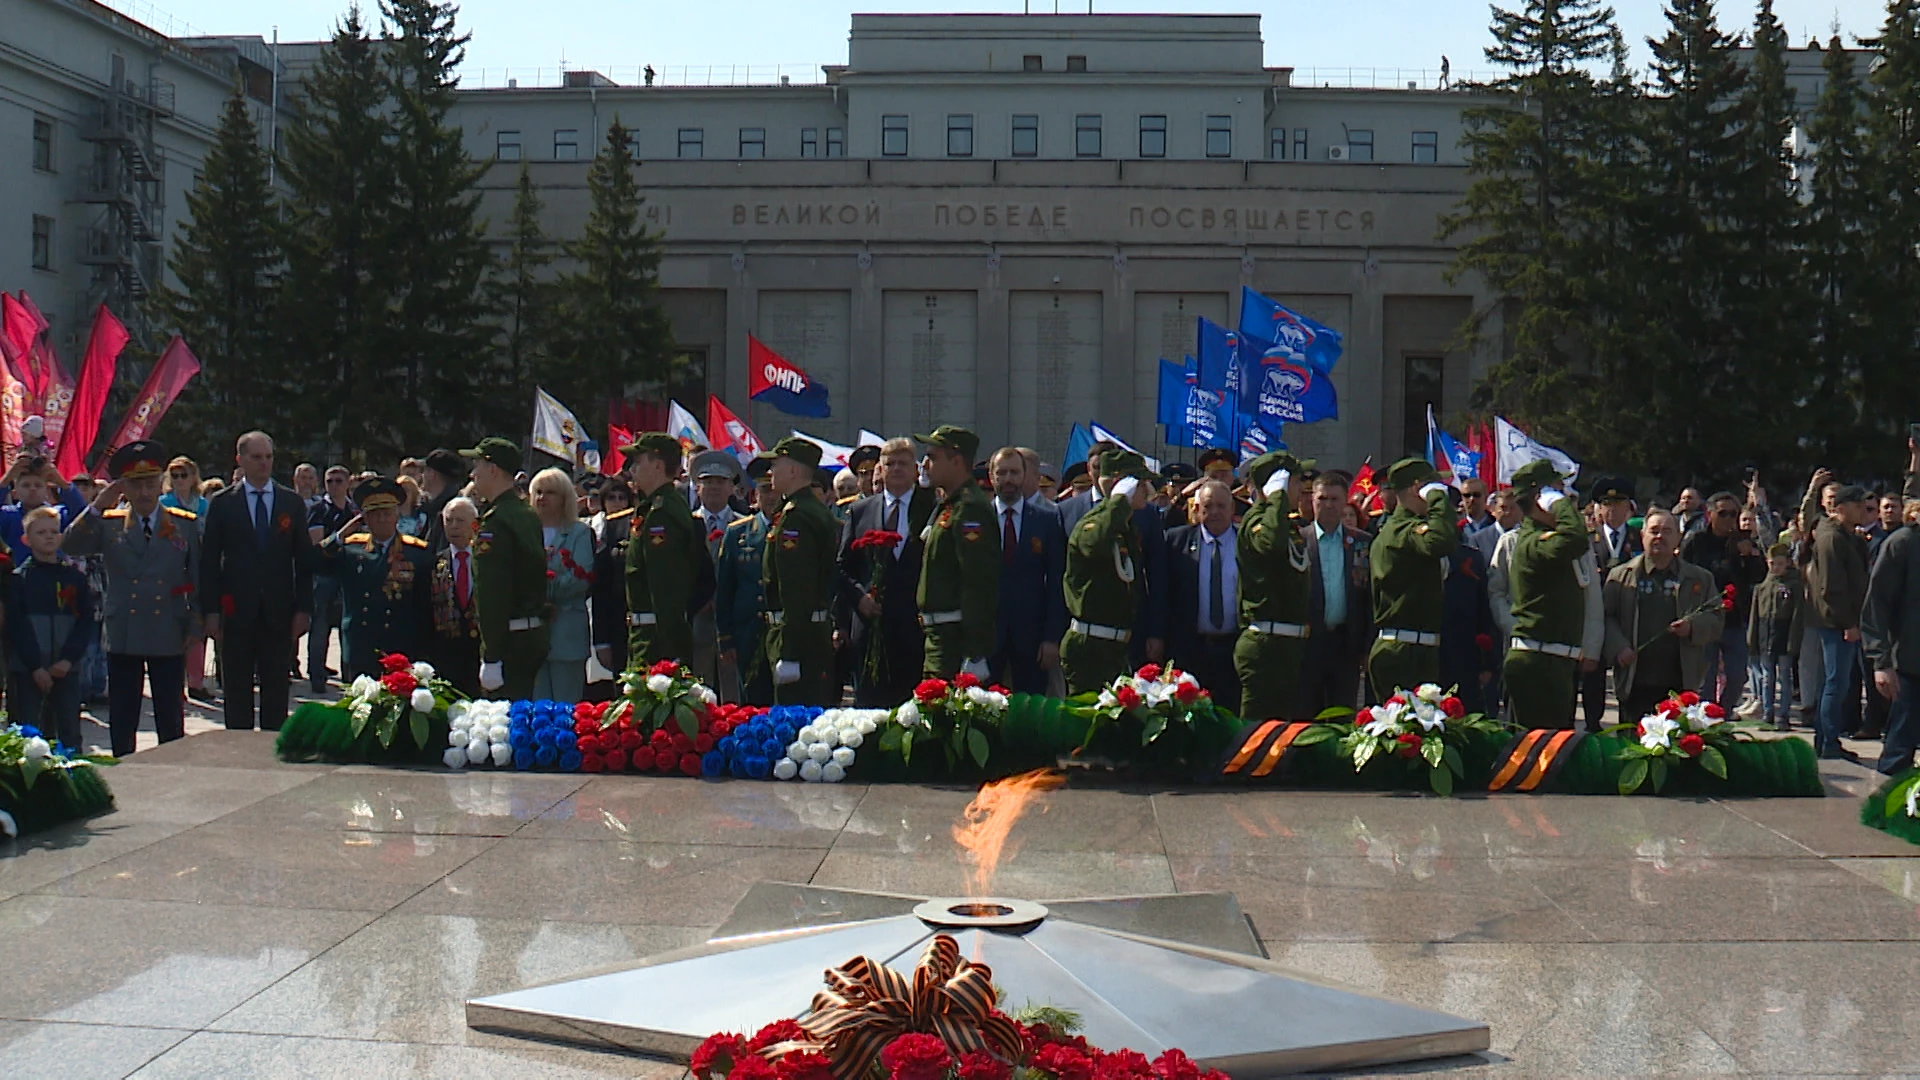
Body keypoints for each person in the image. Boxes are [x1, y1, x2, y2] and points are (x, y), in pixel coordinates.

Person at [62, 442, 200, 756]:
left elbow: (197, 578)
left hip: (168, 625)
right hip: (125, 626)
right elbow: (70, 545)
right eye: (136, 484)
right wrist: (96, 506)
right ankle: (125, 771)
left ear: (161, 482)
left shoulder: (183, 524)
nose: (144, 492)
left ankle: (174, 771)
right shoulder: (109, 523)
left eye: (151, 483)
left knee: (169, 714)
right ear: (124, 487)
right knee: (123, 715)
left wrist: (196, 624)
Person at [201, 431, 313, 731]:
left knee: (276, 686)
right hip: (235, 611)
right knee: (236, 689)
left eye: (268, 457)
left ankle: (274, 749)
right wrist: (210, 611)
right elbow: (209, 561)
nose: (264, 464)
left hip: (278, 611)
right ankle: (240, 753)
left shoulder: (291, 503)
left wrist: (304, 608)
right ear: (240, 460)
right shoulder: (224, 503)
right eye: (256, 457)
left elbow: (303, 561)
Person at [836, 438, 935, 704]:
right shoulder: (860, 511)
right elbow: (842, 567)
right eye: (890, 464)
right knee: (869, 710)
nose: (897, 469)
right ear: (880, 470)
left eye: (903, 463)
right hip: (871, 631)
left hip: (915, 630)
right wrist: (859, 598)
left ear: (916, 470)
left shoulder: (932, 509)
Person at [1603, 508, 1724, 724]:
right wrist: (1618, 647)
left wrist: (1692, 627)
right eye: (1654, 531)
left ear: (1678, 538)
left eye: (1667, 531)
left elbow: (1716, 619)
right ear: (1643, 536)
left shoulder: (1700, 578)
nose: (1660, 536)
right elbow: (1606, 617)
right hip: (1634, 680)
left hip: (1680, 682)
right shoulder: (1621, 576)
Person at [310, 477, 435, 679]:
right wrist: (339, 535)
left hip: (400, 646)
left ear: (397, 516)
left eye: (387, 513)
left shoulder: (417, 552)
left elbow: (424, 606)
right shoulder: (350, 549)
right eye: (375, 514)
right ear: (365, 520)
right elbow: (315, 562)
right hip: (361, 646)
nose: (382, 519)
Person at [1501, 461, 1591, 729]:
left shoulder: (1544, 537)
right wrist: (1556, 503)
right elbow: (1576, 538)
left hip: (1552, 661)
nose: (1565, 496)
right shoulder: (1534, 542)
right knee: (1537, 756)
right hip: (1538, 664)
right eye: (1557, 491)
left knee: (1553, 752)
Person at [461, 437, 550, 699]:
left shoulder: (497, 521)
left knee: (503, 726)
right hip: (528, 634)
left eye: (476, 465)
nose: (472, 473)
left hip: (509, 640)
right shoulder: (523, 513)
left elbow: (492, 594)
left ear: (493, 469)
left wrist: (491, 655)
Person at [1061, 448, 1151, 694]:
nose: (1148, 490)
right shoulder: (1094, 521)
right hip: (1090, 647)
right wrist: (1118, 501)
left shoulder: (1125, 526)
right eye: (1140, 484)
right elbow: (1095, 542)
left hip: (1116, 645)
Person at [1366, 458, 1459, 696]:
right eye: (1431, 487)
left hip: (1415, 647)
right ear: (1417, 488)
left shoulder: (1405, 527)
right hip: (1402, 650)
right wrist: (1438, 498)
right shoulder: (1402, 529)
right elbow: (1440, 541)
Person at [915, 426, 1001, 679]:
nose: (925, 464)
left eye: (933, 457)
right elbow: (915, 533)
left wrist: (975, 651)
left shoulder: (970, 509)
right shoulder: (949, 505)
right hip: (940, 635)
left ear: (956, 461)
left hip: (955, 638)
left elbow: (978, 581)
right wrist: (923, 490)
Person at [1232, 453, 1312, 721]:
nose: (1301, 488)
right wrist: (1276, 498)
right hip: (1265, 644)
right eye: (1296, 481)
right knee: (1254, 734)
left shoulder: (1283, 523)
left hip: (1287, 643)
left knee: (1280, 732)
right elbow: (1270, 544)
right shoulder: (1258, 520)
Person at [760, 436, 839, 704]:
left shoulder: (799, 516)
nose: (771, 472)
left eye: (776, 465)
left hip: (800, 640)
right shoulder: (801, 510)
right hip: (806, 635)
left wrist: (790, 652)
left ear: (793, 470)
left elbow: (797, 588)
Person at [1801, 472, 1872, 760]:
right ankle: (1828, 741)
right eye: (1858, 506)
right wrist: (1849, 623)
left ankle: (1826, 738)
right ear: (1841, 508)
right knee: (1836, 682)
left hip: (1841, 620)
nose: (1863, 512)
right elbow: (1832, 587)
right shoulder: (1831, 537)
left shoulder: (1846, 536)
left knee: (1835, 681)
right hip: (1836, 623)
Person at [8, 507, 91, 750]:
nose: (49, 537)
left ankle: (73, 779)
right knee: (28, 735)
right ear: (26, 539)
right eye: (41, 532)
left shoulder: (74, 578)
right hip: (28, 670)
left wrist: (68, 659)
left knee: (69, 732)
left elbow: (85, 620)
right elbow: (17, 626)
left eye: (54, 532)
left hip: (66, 668)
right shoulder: (19, 579)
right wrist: (35, 666)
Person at [987, 446, 1066, 695]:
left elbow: (1056, 581)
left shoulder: (1047, 520)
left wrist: (1052, 638)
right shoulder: (977, 518)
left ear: (1025, 476)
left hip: (1032, 637)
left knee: (1031, 712)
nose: (1008, 479)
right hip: (986, 636)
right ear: (992, 477)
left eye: (1014, 472)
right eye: (1002, 473)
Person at [1681, 491, 1768, 710]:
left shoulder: (1743, 541)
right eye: (1723, 514)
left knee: (1738, 676)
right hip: (1705, 617)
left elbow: (1760, 575)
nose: (1729, 519)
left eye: (1734, 514)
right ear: (1709, 514)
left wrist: (1748, 557)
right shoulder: (1697, 540)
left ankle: (1725, 713)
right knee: (1706, 681)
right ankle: (1707, 722)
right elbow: (1682, 573)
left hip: (1734, 619)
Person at [1863, 444, 1920, 773]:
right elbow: (1876, 606)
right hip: (1910, 667)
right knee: (1899, 751)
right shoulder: (1903, 543)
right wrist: (1882, 661)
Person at [624, 432, 704, 665]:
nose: (632, 469)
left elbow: (666, 585)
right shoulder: (656, 507)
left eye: (639, 462)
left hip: (656, 641)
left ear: (658, 466)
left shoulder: (662, 513)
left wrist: (671, 651)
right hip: (650, 635)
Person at [1166, 479, 1244, 713]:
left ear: (1232, 510)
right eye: (1208, 506)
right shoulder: (1176, 541)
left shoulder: (1247, 542)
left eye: (1221, 506)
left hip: (1234, 647)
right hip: (1191, 648)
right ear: (1196, 510)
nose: (1215, 512)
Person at [1301, 473, 1371, 717]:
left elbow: (1368, 598)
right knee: (1305, 716)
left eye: (1335, 499)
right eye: (1322, 498)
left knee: (1341, 717)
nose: (1328, 505)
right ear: (1312, 500)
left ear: (1345, 502)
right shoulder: (1299, 541)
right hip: (1307, 646)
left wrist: (1365, 646)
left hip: (1346, 645)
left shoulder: (1362, 543)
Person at [530, 468, 595, 702]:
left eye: (550, 492)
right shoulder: (528, 532)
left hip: (567, 636)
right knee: (537, 711)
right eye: (538, 492)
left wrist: (540, 590)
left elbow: (579, 579)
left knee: (567, 710)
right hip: (533, 637)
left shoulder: (580, 532)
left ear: (565, 498)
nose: (542, 498)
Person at [717, 458, 776, 704]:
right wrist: (725, 638)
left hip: (782, 633)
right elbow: (725, 589)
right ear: (755, 495)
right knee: (751, 702)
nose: (770, 497)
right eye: (764, 490)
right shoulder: (737, 533)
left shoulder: (795, 529)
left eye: (774, 490)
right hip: (747, 634)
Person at [689, 450, 743, 688]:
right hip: (697, 616)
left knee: (732, 684)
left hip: (733, 617)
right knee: (699, 685)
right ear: (697, 487)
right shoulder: (686, 524)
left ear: (732, 487)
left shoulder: (744, 525)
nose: (713, 487)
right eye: (707, 481)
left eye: (720, 482)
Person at [304, 465, 356, 692]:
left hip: (348, 575)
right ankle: (317, 675)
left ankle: (350, 675)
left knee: (349, 627)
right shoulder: (318, 509)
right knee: (320, 627)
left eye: (338, 481)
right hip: (324, 574)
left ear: (347, 483)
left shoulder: (355, 510)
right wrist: (342, 534)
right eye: (329, 481)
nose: (333, 485)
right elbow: (317, 544)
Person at [430, 496, 483, 697]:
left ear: (474, 525)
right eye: (448, 521)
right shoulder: (435, 563)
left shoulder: (486, 560)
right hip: (446, 656)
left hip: (480, 654)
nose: (453, 526)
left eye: (460, 521)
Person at [1749, 543, 1803, 732]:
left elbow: (1797, 616)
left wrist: (1793, 641)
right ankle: (1767, 711)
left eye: (1780, 563)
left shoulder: (1793, 586)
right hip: (1765, 636)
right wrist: (1752, 639)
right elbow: (1754, 617)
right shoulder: (1762, 587)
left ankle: (1784, 714)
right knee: (1766, 676)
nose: (1776, 567)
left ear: (1787, 563)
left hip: (1784, 634)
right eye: (1772, 563)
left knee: (1785, 677)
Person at [418, 449, 465, 551]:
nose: (422, 476)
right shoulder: (430, 507)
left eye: (424, 470)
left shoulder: (453, 511)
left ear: (432, 474)